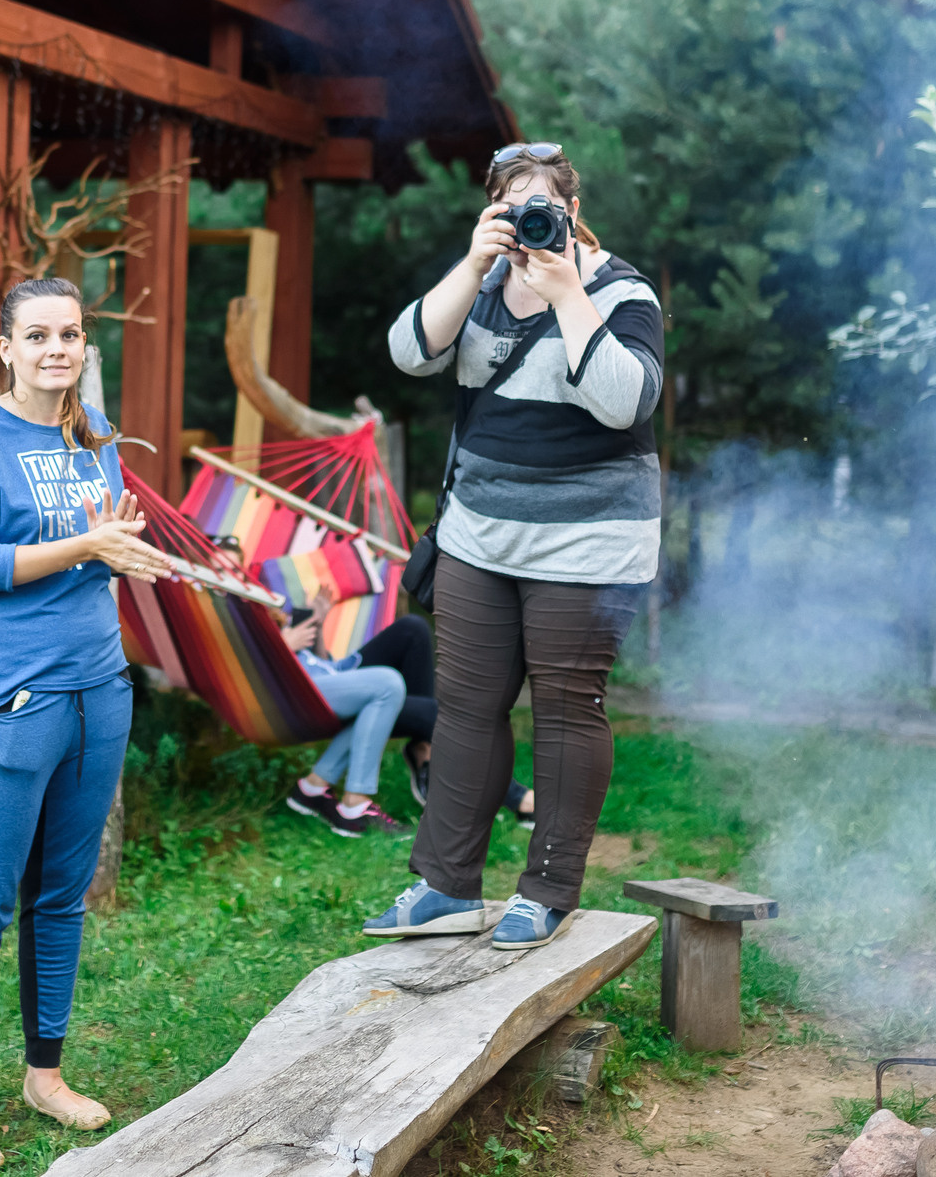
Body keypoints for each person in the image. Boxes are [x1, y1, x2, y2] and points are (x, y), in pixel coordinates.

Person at [362, 143, 662, 952]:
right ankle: (446, 885)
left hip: (588, 545)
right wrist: (471, 264)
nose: (530, 221)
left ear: (571, 208)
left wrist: (568, 292)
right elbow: (408, 351)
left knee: (566, 710)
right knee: (465, 706)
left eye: (544, 208)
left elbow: (624, 401)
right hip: (480, 538)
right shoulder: (485, 282)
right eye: (511, 205)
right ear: (493, 209)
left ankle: (548, 891)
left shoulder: (621, 289)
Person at [0, 276, 169, 1171]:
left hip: (97, 693)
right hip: (6, 701)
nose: (57, 349)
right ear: (5, 347)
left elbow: (94, 554)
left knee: (61, 897)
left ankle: (44, 1072)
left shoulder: (92, 436)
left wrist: (120, 551)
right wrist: (89, 546)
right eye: (38, 336)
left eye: (70, 334)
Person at [279, 610, 535, 836]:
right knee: (397, 691)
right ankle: (519, 799)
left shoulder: (269, 607)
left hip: (332, 676)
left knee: (413, 629)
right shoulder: (245, 608)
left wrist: (316, 628)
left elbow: (320, 664)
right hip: (302, 693)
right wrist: (284, 643)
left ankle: (422, 749)